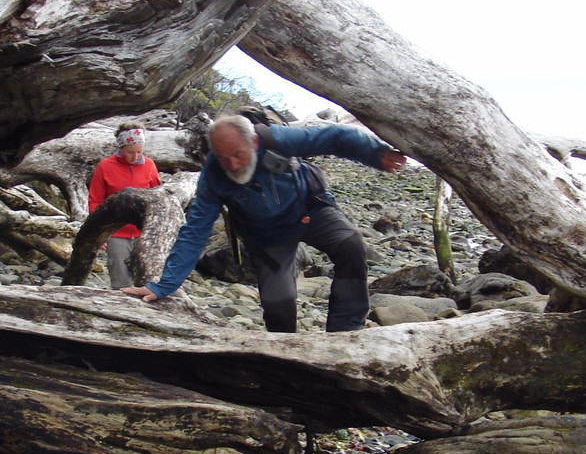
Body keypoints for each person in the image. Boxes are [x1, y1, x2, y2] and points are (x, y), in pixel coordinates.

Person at [122, 114, 407, 331]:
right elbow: (194, 231)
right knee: (277, 303)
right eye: (224, 158)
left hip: (310, 209)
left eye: (239, 155)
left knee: (350, 244)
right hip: (267, 235)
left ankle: (346, 331)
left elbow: (335, 137)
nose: (232, 165)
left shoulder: (277, 139)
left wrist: (376, 154)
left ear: (254, 143)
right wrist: (164, 286)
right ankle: (284, 356)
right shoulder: (214, 176)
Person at [88, 121, 161, 288]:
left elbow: (158, 198)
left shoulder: (149, 165)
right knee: (121, 282)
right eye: (131, 152)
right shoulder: (105, 166)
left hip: (144, 232)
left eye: (139, 152)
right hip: (116, 233)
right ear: (121, 147)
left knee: (149, 281)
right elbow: (95, 200)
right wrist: (99, 233)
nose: (136, 157)